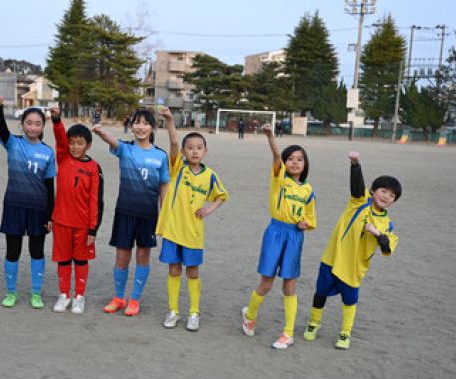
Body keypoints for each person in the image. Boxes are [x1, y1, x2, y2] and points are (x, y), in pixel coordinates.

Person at [302, 151, 401, 350]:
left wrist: (377, 234)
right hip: (333, 257)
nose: (387, 197)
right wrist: (355, 165)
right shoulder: (359, 203)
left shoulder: (387, 224)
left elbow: (388, 246)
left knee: (349, 300)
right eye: (383, 191)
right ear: (373, 191)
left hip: (355, 266)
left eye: (392, 195)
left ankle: (345, 332)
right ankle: (314, 323)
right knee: (320, 292)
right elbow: (356, 188)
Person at [241, 125, 316, 349]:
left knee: (289, 285)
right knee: (266, 283)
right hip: (275, 233)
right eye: (290, 158)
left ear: (305, 164)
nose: (294, 162)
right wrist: (270, 136)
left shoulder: (308, 190)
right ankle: (250, 315)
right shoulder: (280, 179)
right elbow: (276, 155)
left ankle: (288, 333)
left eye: (299, 159)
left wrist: (305, 224)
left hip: (295, 237)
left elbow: (311, 218)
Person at [156, 107, 228, 331]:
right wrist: (169, 120)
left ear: (206, 151)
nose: (194, 152)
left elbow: (222, 196)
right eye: (190, 148)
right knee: (174, 269)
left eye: (199, 148)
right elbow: (174, 143)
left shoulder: (210, 175)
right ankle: (173, 310)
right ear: (185, 152)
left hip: (194, 232)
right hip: (172, 230)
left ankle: (194, 313)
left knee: (193, 272)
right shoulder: (178, 168)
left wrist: (209, 209)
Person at [93, 109, 170, 316]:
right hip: (125, 212)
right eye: (137, 123)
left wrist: (165, 214)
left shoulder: (161, 155)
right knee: (121, 258)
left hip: (148, 216)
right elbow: (113, 141)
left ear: (153, 128)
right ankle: (119, 298)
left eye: (145, 123)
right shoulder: (126, 149)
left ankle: (134, 299)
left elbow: (164, 186)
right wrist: (100, 132)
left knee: (143, 257)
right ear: (131, 126)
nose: (141, 127)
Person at [0, 96, 56, 309]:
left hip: (38, 209)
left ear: (43, 126)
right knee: (13, 251)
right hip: (14, 205)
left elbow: (49, 186)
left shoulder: (48, 152)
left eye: (38, 123)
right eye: (29, 122)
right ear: (22, 124)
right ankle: (11, 293)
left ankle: (36, 293)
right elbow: (2, 131)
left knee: (37, 251)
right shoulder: (14, 144)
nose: (33, 127)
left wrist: (50, 215)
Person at [49, 105, 104, 314]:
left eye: (79, 143)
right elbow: (60, 140)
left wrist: (92, 228)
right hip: (61, 221)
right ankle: (64, 295)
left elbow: (94, 201)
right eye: (72, 143)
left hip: (82, 225)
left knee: (80, 260)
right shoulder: (63, 158)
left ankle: (79, 296)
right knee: (63, 260)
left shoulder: (93, 167)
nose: (74, 147)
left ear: (87, 145)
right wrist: (56, 121)